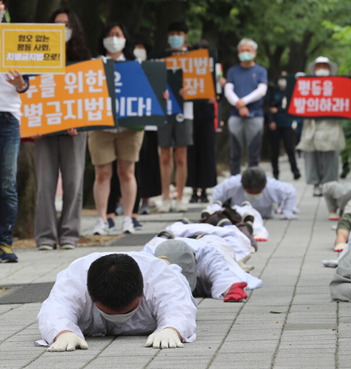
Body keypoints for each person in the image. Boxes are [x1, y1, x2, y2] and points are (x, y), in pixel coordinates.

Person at [36, 252, 197, 351]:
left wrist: (172, 329)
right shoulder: (75, 279)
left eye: (129, 309)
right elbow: (55, 310)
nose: (120, 318)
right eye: (108, 311)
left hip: (170, 273)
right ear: (90, 295)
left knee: (182, 281)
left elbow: (180, 308)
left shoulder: (158, 277)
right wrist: (62, 333)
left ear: (143, 290)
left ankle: (170, 262)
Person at [33, 8, 92, 251]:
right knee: (44, 184)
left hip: (75, 130)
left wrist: (79, 120)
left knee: (73, 183)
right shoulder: (38, 57)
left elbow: (91, 94)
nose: (63, 29)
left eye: (67, 24)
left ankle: (69, 235)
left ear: (75, 28)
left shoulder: (85, 58)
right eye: (57, 24)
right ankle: (45, 237)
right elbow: (32, 89)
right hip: (44, 130)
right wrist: (33, 121)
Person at [89, 22, 143, 235]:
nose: (114, 38)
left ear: (125, 38)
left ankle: (128, 218)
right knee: (102, 173)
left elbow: (148, 92)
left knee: (127, 172)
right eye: (110, 34)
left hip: (129, 128)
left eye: (118, 34)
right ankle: (101, 219)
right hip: (101, 127)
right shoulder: (94, 64)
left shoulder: (135, 64)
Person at [142, 236, 261, 301]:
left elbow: (219, 271)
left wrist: (229, 287)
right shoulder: (149, 255)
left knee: (221, 246)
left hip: (212, 242)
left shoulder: (208, 252)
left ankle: (236, 262)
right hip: (163, 239)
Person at [0, 1, 28, 262]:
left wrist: (20, 83)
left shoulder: (15, 38)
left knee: (7, 184)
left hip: (8, 117)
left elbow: (25, 83)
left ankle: (5, 243)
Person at [296, 56, 345, 197]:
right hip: (311, 126)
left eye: (324, 66)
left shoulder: (338, 85)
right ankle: (315, 184)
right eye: (318, 67)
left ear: (330, 69)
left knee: (331, 156)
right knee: (311, 156)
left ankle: (329, 185)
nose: (321, 70)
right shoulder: (306, 86)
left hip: (331, 126)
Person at [157, 21, 192, 213]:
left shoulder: (194, 60)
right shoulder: (161, 59)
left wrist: (191, 91)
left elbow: (202, 86)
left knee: (181, 156)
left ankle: (179, 197)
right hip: (164, 110)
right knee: (164, 155)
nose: (175, 37)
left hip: (185, 112)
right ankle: (165, 196)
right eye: (172, 33)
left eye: (179, 33)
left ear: (186, 36)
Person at [224, 38, 268, 175]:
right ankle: (234, 183)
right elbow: (228, 90)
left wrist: (244, 102)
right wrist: (239, 105)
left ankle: (253, 184)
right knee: (235, 154)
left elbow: (261, 91)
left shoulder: (260, 71)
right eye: (242, 50)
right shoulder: (232, 71)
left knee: (253, 154)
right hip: (236, 115)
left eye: (248, 50)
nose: (245, 53)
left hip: (255, 115)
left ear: (254, 53)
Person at [132, 34, 162, 217]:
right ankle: (124, 201)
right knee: (131, 166)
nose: (138, 49)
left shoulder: (154, 69)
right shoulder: (126, 67)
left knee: (149, 164)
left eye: (141, 46)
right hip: (131, 125)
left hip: (150, 125)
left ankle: (146, 200)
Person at [186, 39, 217, 204]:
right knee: (192, 153)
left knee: (207, 152)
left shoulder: (214, 69)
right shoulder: (187, 69)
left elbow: (220, 88)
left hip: (207, 114)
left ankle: (205, 190)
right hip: (191, 113)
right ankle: (193, 190)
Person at [211, 167, 297, 220]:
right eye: (250, 191)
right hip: (239, 216)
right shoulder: (232, 184)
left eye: (257, 191)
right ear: (243, 186)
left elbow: (290, 191)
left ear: (263, 187)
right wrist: (217, 211)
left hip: (265, 216)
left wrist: (287, 211)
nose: (253, 194)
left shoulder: (271, 186)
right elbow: (217, 193)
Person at [267, 72, 300, 181]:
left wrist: (279, 110)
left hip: (287, 124)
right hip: (275, 125)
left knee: (290, 148)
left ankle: (295, 171)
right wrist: (270, 121)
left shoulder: (290, 92)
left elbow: (294, 107)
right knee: (274, 150)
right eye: (281, 78)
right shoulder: (272, 92)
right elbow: (268, 108)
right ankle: (275, 173)